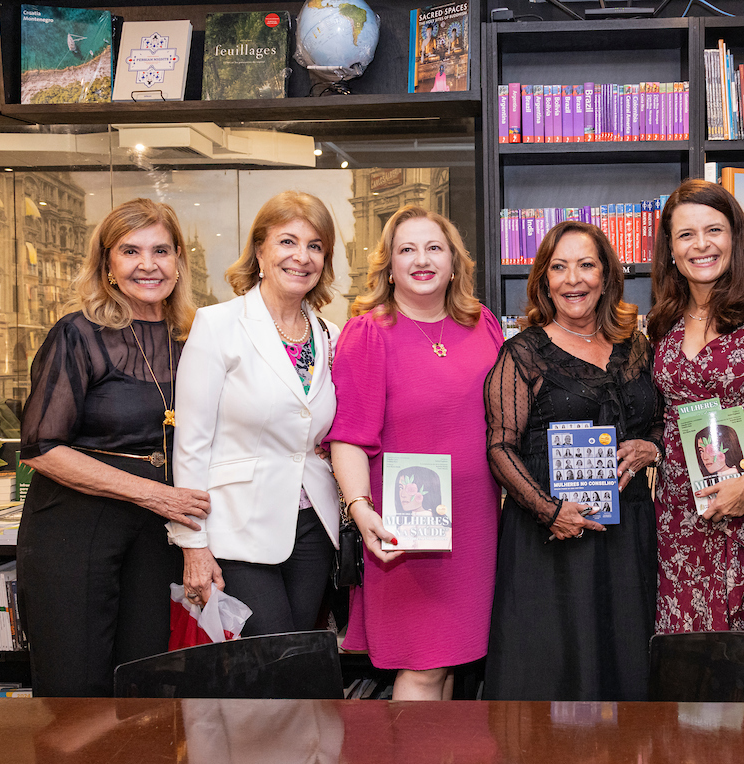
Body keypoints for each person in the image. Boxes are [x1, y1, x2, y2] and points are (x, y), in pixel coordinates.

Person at [17, 198, 208, 696]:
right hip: (75, 528)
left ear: (179, 260)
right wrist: (153, 494)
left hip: (156, 535)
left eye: (161, 250)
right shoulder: (79, 335)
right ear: (107, 264)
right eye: (130, 251)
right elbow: (41, 447)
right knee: (75, 686)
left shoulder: (195, 338)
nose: (148, 265)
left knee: (145, 684)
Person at [328, 205, 502, 701]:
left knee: (451, 664)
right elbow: (349, 436)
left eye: (433, 248)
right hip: (407, 528)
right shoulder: (369, 334)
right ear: (388, 264)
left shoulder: (482, 324)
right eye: (407, 249)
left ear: (454, 262)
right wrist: (362, 511)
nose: (421, 260)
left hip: (475, 526)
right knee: (423, 665)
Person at [484, 220, 662, 700]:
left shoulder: (636, 346)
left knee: (624, 652)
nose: (573, 279)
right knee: (557, 663)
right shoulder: (522, 353)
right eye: (559, 267)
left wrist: (654, 449)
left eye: (586, 265)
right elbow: (500, 446)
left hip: (628, 532)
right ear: (544, 279)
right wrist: (549, 510)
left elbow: (655, 422)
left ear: (606, 276)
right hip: (553, 534)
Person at [168, 190, 341, 637]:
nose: (301, 257)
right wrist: (193, 545)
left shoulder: (330, 335)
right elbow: (190, 445)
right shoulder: (218, 325)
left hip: (313, 528)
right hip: (236, 529)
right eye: (287, 241)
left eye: (315, 246)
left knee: (299, 662)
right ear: (260, 249)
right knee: (267, 669)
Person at [647, 179, 744, 634]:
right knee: (688, 655)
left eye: (713, 230)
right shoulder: (663, 323)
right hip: (680, 514)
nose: (701, 245)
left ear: (736, 238)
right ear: (671, 250)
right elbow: (665, 419)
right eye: (686, 235)